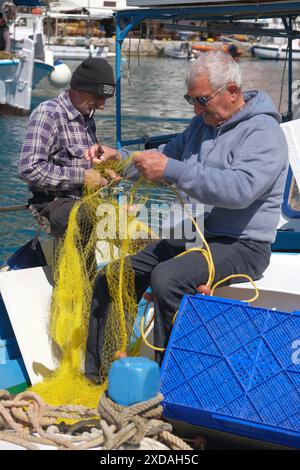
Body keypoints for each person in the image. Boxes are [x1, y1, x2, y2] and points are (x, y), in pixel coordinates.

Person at [84, 51, 289, 379]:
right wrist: (118, 159)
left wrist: (173, 170)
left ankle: (171, 386)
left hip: (243, 245)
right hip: (198, 235)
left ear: (232, 92)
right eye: (190, 99)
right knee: (113, 275)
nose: (195, 109)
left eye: (201, 100)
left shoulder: (264, 133)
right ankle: (99, 378)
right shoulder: (202, 124)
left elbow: (240, 190)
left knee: (167, 278)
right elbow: (165, 156)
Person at [19, 58, 118, 239]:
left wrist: (104, 173)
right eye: (98, 97)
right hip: (53, 206)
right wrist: (83, 177)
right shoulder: (48, 113)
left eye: (106, 98)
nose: (102, 105)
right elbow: (29, 169)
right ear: (79, 89)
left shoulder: (87, 115)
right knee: (105, 218)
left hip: (85, 204)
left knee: (135, 228)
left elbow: (82, 165)